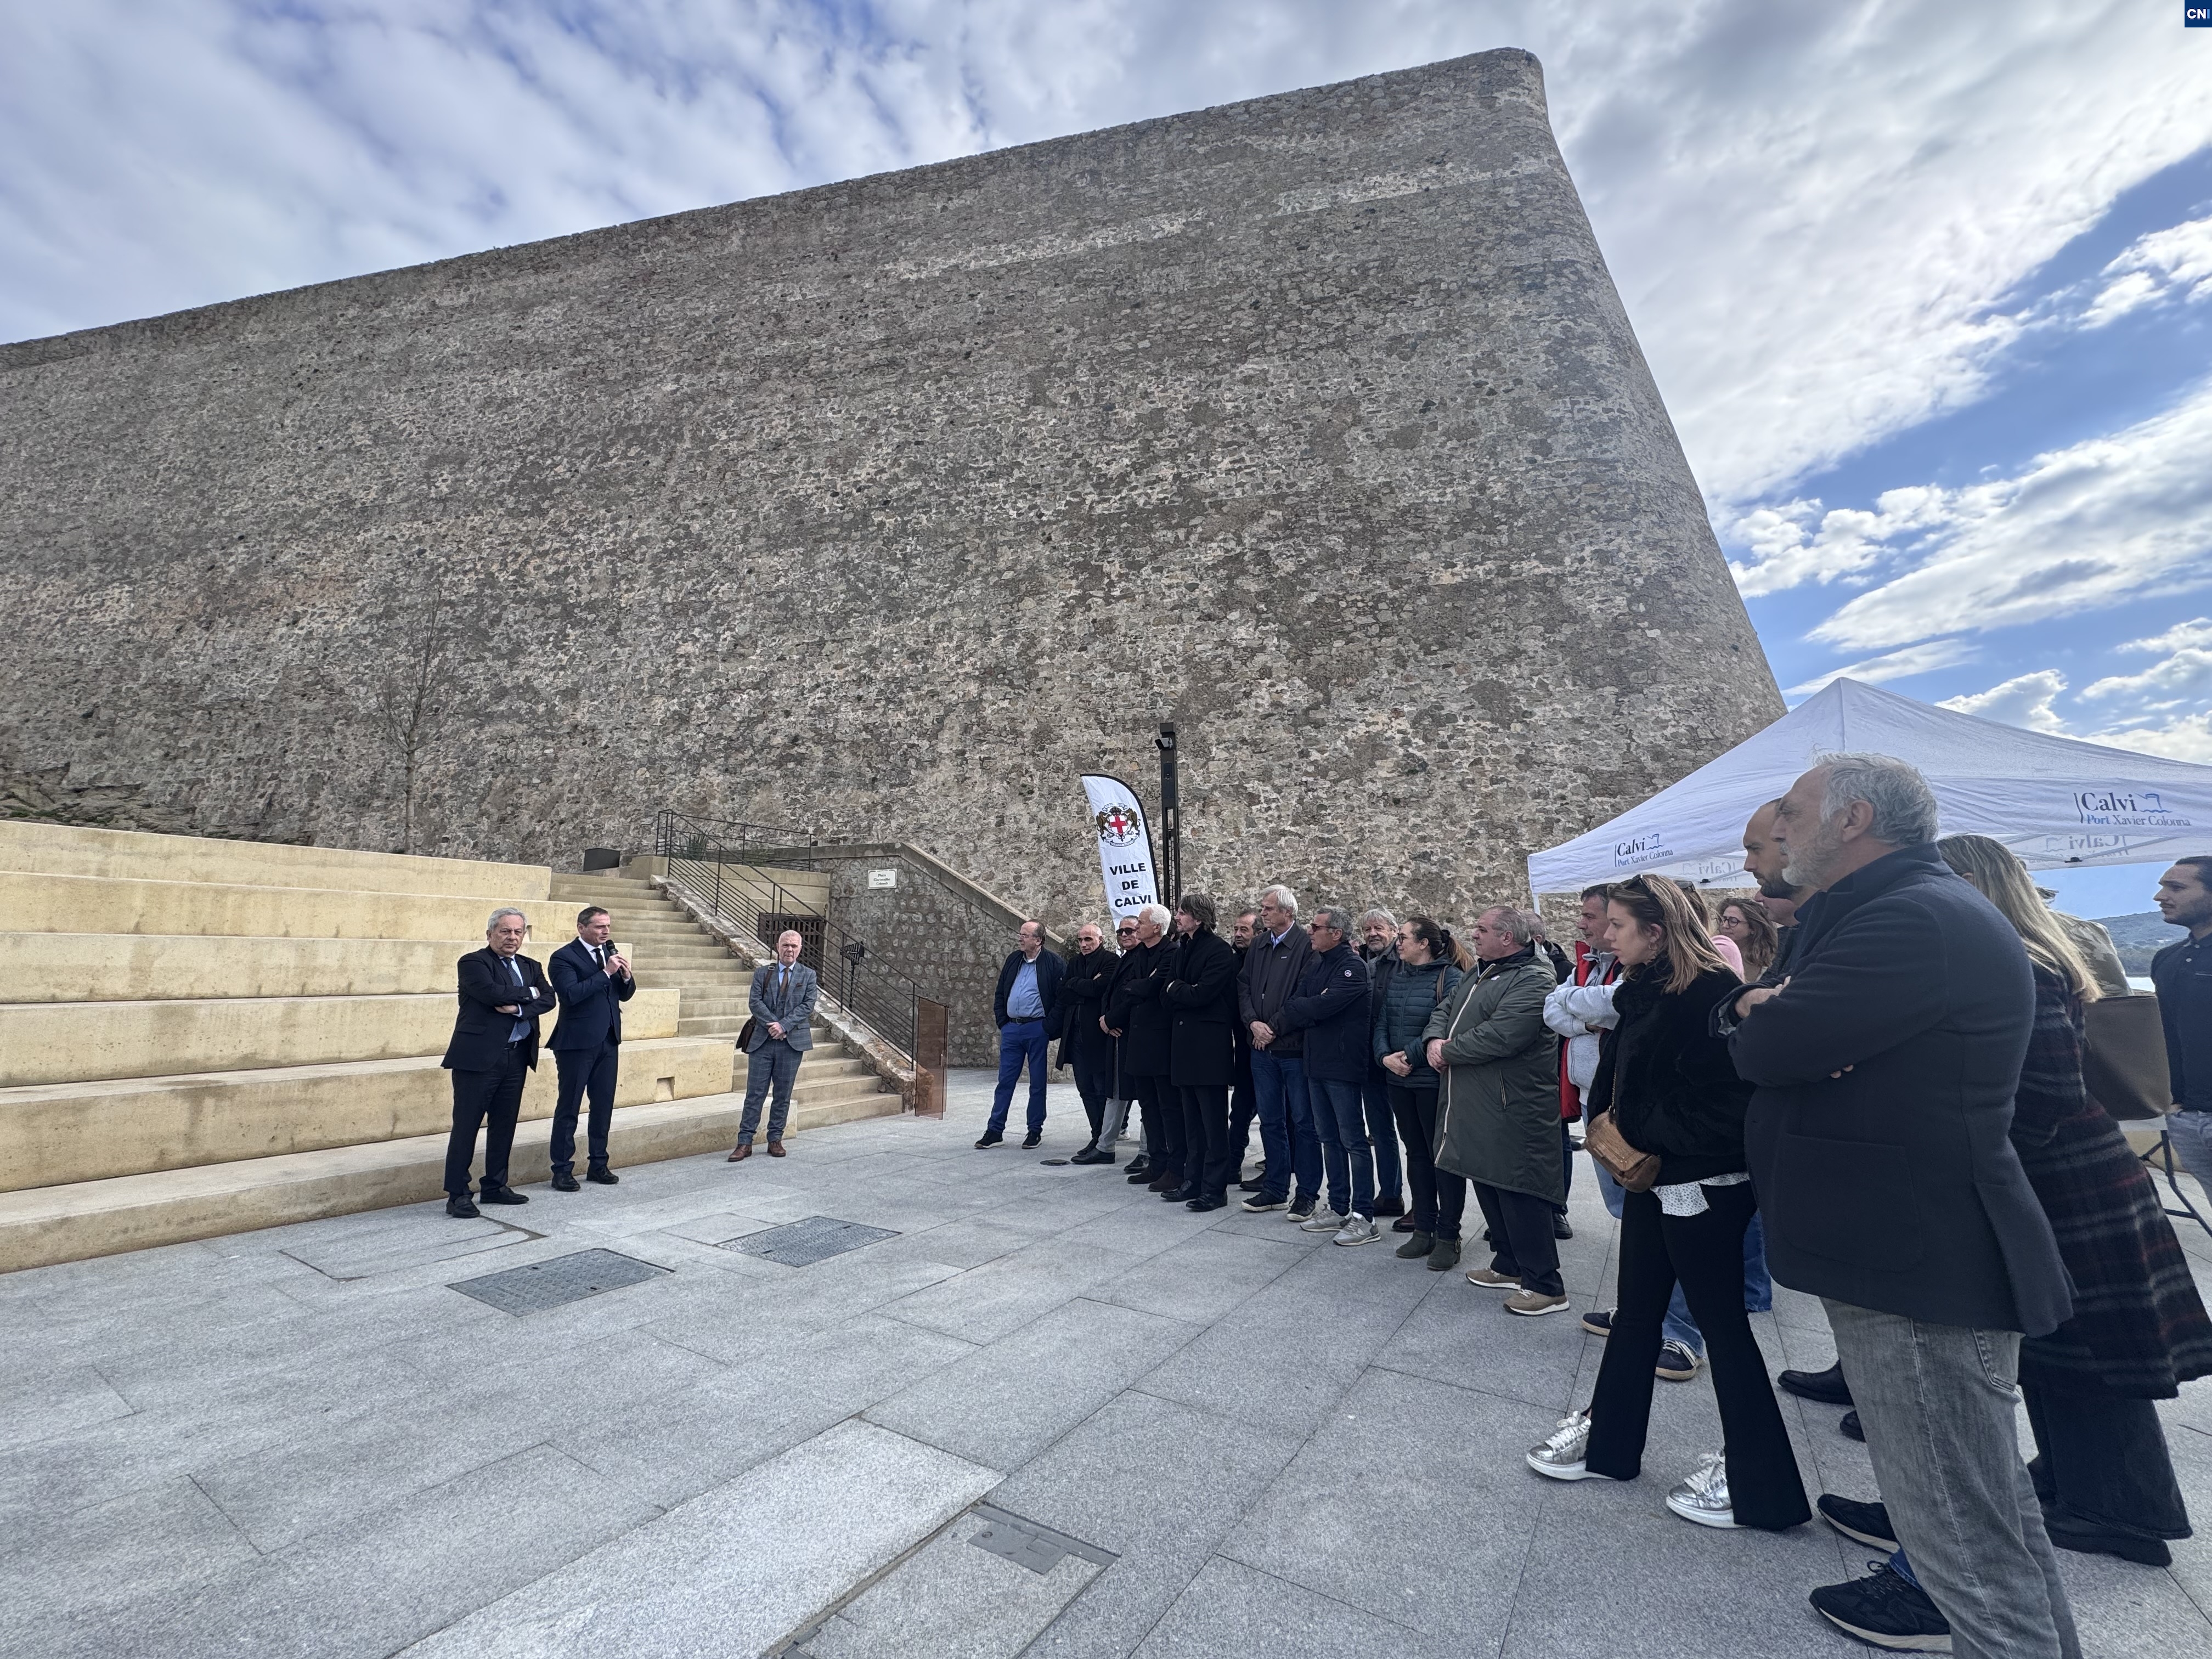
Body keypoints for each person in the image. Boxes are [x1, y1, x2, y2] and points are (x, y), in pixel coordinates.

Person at [1728, 754, 2078, 1659]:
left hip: (1917, 1261)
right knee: (1984, 1526)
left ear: (1849, 820)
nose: (1780, 828)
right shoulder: (1888, 910)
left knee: (1959, 1543)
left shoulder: (1910, 917)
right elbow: (1763, 1024)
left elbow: (1776, 1043)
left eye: (1795, 811)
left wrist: (1770, 1020)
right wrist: (1762, 1015)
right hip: (1908, 1249)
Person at [1526, 875, 1810, 1533]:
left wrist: (1648, 1132)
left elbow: (1733, 1101)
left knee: (1724, 1328)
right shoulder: (1644, 987)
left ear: (1655, 932)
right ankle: (1609, 1446)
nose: (1606, 935)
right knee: (1636, 1313)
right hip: (1653, 1178)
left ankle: (1757, 1481)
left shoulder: (1711, 991)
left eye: (1619, 927)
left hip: (1703, 1184)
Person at [1425, 906, 1566, 1314]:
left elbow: (1504, 1035)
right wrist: (1435, 1039)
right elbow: (1445, 1010)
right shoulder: (1480, 971)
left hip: (1512, 1104)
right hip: (1478, 1101)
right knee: (1487, 1176)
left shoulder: (1534, 977)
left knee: (1520, 1188)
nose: (1475, 934)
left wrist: (1448, 1051)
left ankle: (1545, 1283)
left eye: (1483, 929)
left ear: (1508, 938)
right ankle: (1507, 1262)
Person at [442, 907, 558, 1216]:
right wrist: (530, 993)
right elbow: (490, 992)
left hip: (517, 1056)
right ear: (491, 934)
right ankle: (457, 1194)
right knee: (466, 1127)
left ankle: (495, 1186)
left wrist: (520, 1007)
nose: (512, 937)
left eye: (518, 932)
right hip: (478, 1060)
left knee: (504, 1125)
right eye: (506, 931)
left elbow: (549, 999)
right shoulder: (473, 962)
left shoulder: (531, 965)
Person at [1274, 906, 1379, 1244]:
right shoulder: (1318, 964)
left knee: (1353, 1141)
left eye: (1316, 928)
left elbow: (1322, 1007)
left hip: (1342, 1065)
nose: (1310, 932)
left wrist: (1313, 1008)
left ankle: (1364, 1216)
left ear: (1336, 933)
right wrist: (1313, 1008)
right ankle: (1338, 1206)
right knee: (1328, 1139)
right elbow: (1295, 1004)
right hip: (1315, 1062)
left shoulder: (1352, 967)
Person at [1376, 916, 1466, 1268]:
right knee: (1415, 1154)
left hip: (1432, 1081)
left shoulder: (1452, 978)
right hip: (1399, 1079)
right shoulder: (1400, 976)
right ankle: (1424, 1228)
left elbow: (1442, 1026)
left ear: (1424, 943)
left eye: (1403, 937)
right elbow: (1382, 1021)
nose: (1398, 943)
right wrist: (1385, 1057)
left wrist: (1407, 1056)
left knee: (1443, 1158)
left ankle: (1449, 1235)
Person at [1240, 884, 1322, 1218]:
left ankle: (1307, 1193)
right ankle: (1275, 1188)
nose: (1263, 913)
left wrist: (1272, 1027)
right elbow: (1243, 986)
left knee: (1304, 1124)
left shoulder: (1306, 946)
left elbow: (1304, 994)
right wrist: (1252, 1024)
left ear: (1288, 913)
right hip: (1261, 1051)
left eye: (1269, 908)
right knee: (1270, 1122)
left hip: (1293, 1049)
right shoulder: (1259, 944)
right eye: (1262, 908)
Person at [1160, 894, 1240, 1210]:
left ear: (1199, 917)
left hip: (1209, 1050)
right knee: (1191, 1122)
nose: (1177, 917)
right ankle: (1191, 1181)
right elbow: (1166, 994)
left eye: (1182, 912)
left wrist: (1178, 990)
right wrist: (1181, 990)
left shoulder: (1220, 951)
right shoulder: (1183, 949)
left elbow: (1203, 994)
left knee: (1213, 1123)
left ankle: (1215, 1188)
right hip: (1184, 1046)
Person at [546, 904, 634, 1191]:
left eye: (607, 926)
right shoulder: (563, 958)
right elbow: (571, 995)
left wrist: (626, 977)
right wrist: (607, 972)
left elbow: (625, 995)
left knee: (603, 1106)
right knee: (569, 1106)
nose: (605, 932)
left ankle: (599, 1163)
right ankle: (561, 1169)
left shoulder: (608, 954)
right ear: (582, 928)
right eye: (599, 927)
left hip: (608, 1040)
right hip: (576, 1043)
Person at [731, 929, 817, 1160]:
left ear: (800, 949)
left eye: (794, 946)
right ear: (778, 947)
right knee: (755, 1093)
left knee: (783, 1094)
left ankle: (775, 1139)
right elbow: (755, 1002)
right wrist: (773, 1024)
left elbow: (807, 1006)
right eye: (785, 945)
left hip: (791, 1044)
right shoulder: (762, 973)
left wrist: (784, 1026)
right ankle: (745, 1142)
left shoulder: (808, 975)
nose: (790, 950)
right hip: (762, 1042)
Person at [979, 919, 1065, 1149]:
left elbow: (1062, 999)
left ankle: (1034, 1130)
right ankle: (995, 1130)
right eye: (1021, 934)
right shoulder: (1014, 960)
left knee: (1037, 1082)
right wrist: (1002, 1021)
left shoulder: (1053, 963)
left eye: (1025, 935)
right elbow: (1000, 991)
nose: (1020, 938)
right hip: (1012, 1029)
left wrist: (1048, 1027)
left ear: (1038, 940)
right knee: (1005, 1081)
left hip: (1037, 1028)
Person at [2154, 855, 2212, 1195]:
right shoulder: (2166, 958)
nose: (2160, 896)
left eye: (2176, 887)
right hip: (2185, 1116)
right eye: (2162, 886)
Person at [1111, 905, 1180, 1189]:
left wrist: (1141, 987)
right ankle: (1156, 1162)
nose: (1136, 927)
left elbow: (1154, 989)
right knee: (1148, 1107)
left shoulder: (1171, 952)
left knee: (1168, 1107)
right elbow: (1129, 986)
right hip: (1138, 1040)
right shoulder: (1138, 954)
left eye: (1141, 923)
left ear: (1158, 928)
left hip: (1160, 1041)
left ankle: (1174, 1167)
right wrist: (1140, 986)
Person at [1356, 907, 1408, 1218]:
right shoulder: (1365, 963)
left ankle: (1424, 1206)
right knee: (1381, 1131)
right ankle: (1390, 1194)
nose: (1372, 934)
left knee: (1413, 1136)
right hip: (1373, 1060)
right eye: (1367, 930)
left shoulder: (1405, 962)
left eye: (1379, 928)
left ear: (1393, 930)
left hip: (1401, 1060)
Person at [1058, 922, 1119, 1163]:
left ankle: (1105, 1140)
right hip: (1076, 1035)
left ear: (1100, 940)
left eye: (1089, 940)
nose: (1084, 944)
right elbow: (1062, 992)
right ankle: (1096, 1135)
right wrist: (1083, 985)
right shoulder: (1074, 962)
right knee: (1085, 1090)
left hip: (1097, 1036)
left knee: (1101, 1089)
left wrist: (1077, 985)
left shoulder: (1110, 961)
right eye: (1081, 940)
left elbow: (1100, 988)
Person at [1099, 917, 1152, 1173]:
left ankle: (1147, 1151)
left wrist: (1111, 1019)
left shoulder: (1143, 959)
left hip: (1136, 1034)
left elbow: (1134, 996)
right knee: (1116, 1092)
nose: (1124, 935)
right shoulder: (1124, 959)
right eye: (1120, 932)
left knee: (1146, 1096)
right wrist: (1107, 1020)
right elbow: (1110, 994)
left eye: (1130, 930)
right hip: (1118, 1034)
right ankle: (1104, 1145)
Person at [1227, 909, 1259, 1178]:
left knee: (1278, 1113)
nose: (1237, 935)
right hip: (1243, 1046)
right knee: (1240, 1109)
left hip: (1266, 1043)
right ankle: (1233, 1162)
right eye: (1236, 930)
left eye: (1244, 930)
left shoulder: (1263, 961)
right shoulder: (1232, 959)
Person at [1714, 896, 1778, 984]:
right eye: (1723, 919)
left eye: (1733, 921)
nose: (1725, 925)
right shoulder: (1713, 954)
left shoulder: (1772, 961)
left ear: (1753, 928)